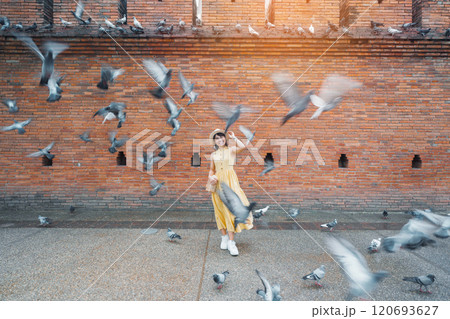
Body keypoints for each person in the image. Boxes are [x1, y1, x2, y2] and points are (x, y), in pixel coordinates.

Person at [208, 128, 253, 256]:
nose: (220, 140)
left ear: (225, 139)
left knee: (231, 211)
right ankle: (224, 237)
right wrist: (210, 177)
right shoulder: (213, 155)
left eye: (222, 137)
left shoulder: (231, 150)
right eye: (217, 138)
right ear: (214, 141)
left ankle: (231, 242)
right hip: (217, 183)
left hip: (230, 183)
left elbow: (244, 147)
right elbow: (212, 170)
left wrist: (234, 138)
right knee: (220, 210)